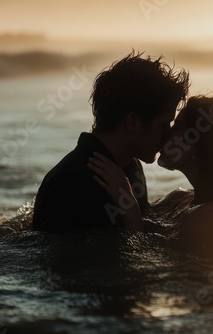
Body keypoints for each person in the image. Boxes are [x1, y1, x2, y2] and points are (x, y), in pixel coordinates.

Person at [32, 51, 190, 232]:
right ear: (133, 122)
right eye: (164, 125)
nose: (168, 135)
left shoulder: (132, 168)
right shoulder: (70, 185)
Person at [88, 95, 213, 243]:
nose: (166, 132)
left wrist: (128, 206)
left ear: (200, 145)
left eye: (177, 127)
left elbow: (155, 265)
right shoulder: (181, 198)